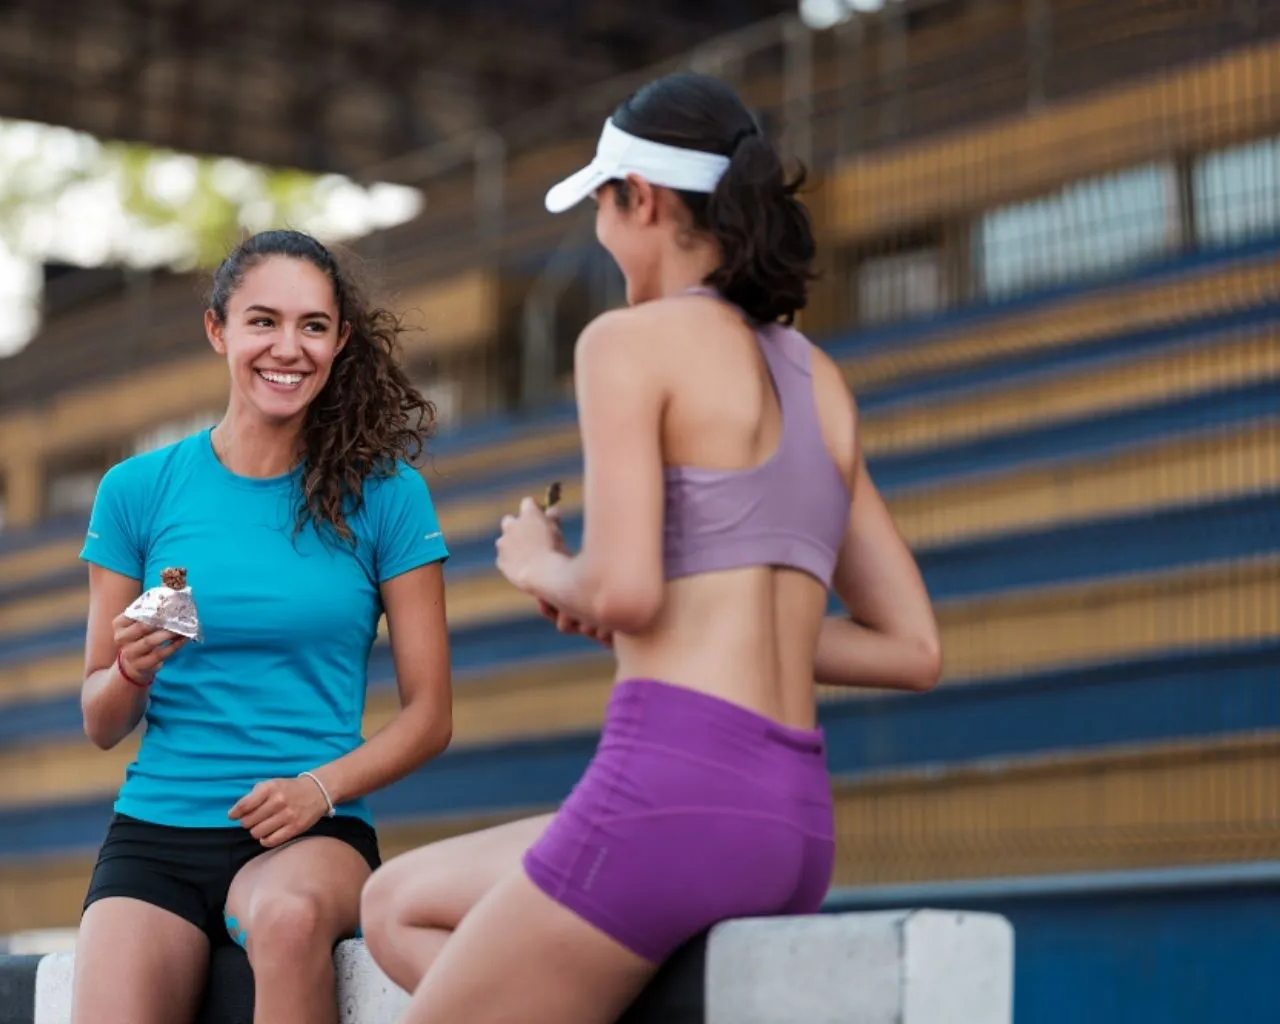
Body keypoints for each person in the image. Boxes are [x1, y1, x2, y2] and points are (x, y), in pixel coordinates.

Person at [358, 72, 942, 1023]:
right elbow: (913, 650)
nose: (598, 231)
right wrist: (686, 613)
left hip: (671, 799)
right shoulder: (817, 377)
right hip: (792, 822)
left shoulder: (625, 344)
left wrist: (540, 562)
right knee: (394, 906)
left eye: (602, 202)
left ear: (647, 199)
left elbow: (623, 592)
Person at [70, 229, 454, 1024]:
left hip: (314, 832)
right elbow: (100, 721)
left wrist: (321, 789)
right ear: (219, 331)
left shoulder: (389, 496)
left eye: (313, 325)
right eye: (263, 322)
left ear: (341, 339)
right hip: (157, 834)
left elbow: (430, 718)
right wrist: (133, 670)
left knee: (283, 918)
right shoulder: (135, 490)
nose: (289, 347)